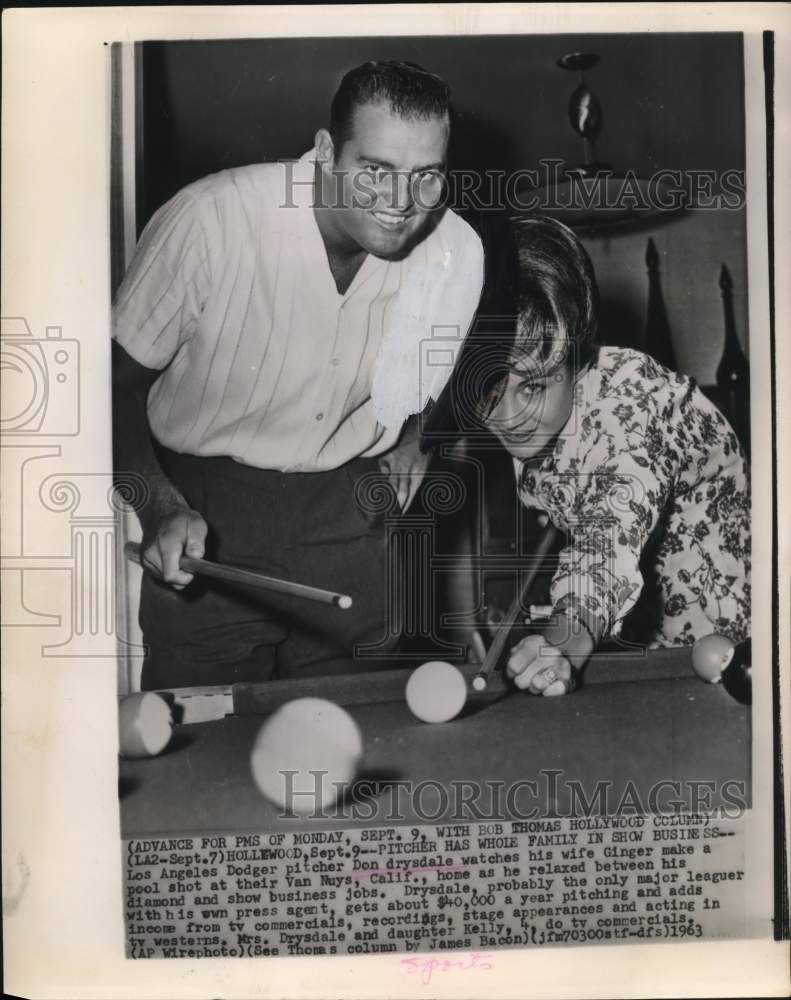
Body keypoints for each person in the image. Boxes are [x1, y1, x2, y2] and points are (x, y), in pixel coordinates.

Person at [112, 61, 484, 688]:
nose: (401, 205)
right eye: (375, 171)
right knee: (205, 751)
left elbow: (451, 369)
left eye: (426, 177)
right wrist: (157, 507)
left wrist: (423, 438)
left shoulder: (457, 252)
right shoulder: (212, 219)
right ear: (324, 152)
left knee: (360, 743)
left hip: (352, 519)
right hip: (209, 519)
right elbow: (105, 386)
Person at [439, 215, 750, 696]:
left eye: (533, 385)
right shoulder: (538, 413)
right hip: (654, 638)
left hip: (740, 639)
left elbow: (605, 539)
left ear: (577, 358)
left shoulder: (630, 403)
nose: (508, 416)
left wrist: (563, 639)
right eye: (488, 390)